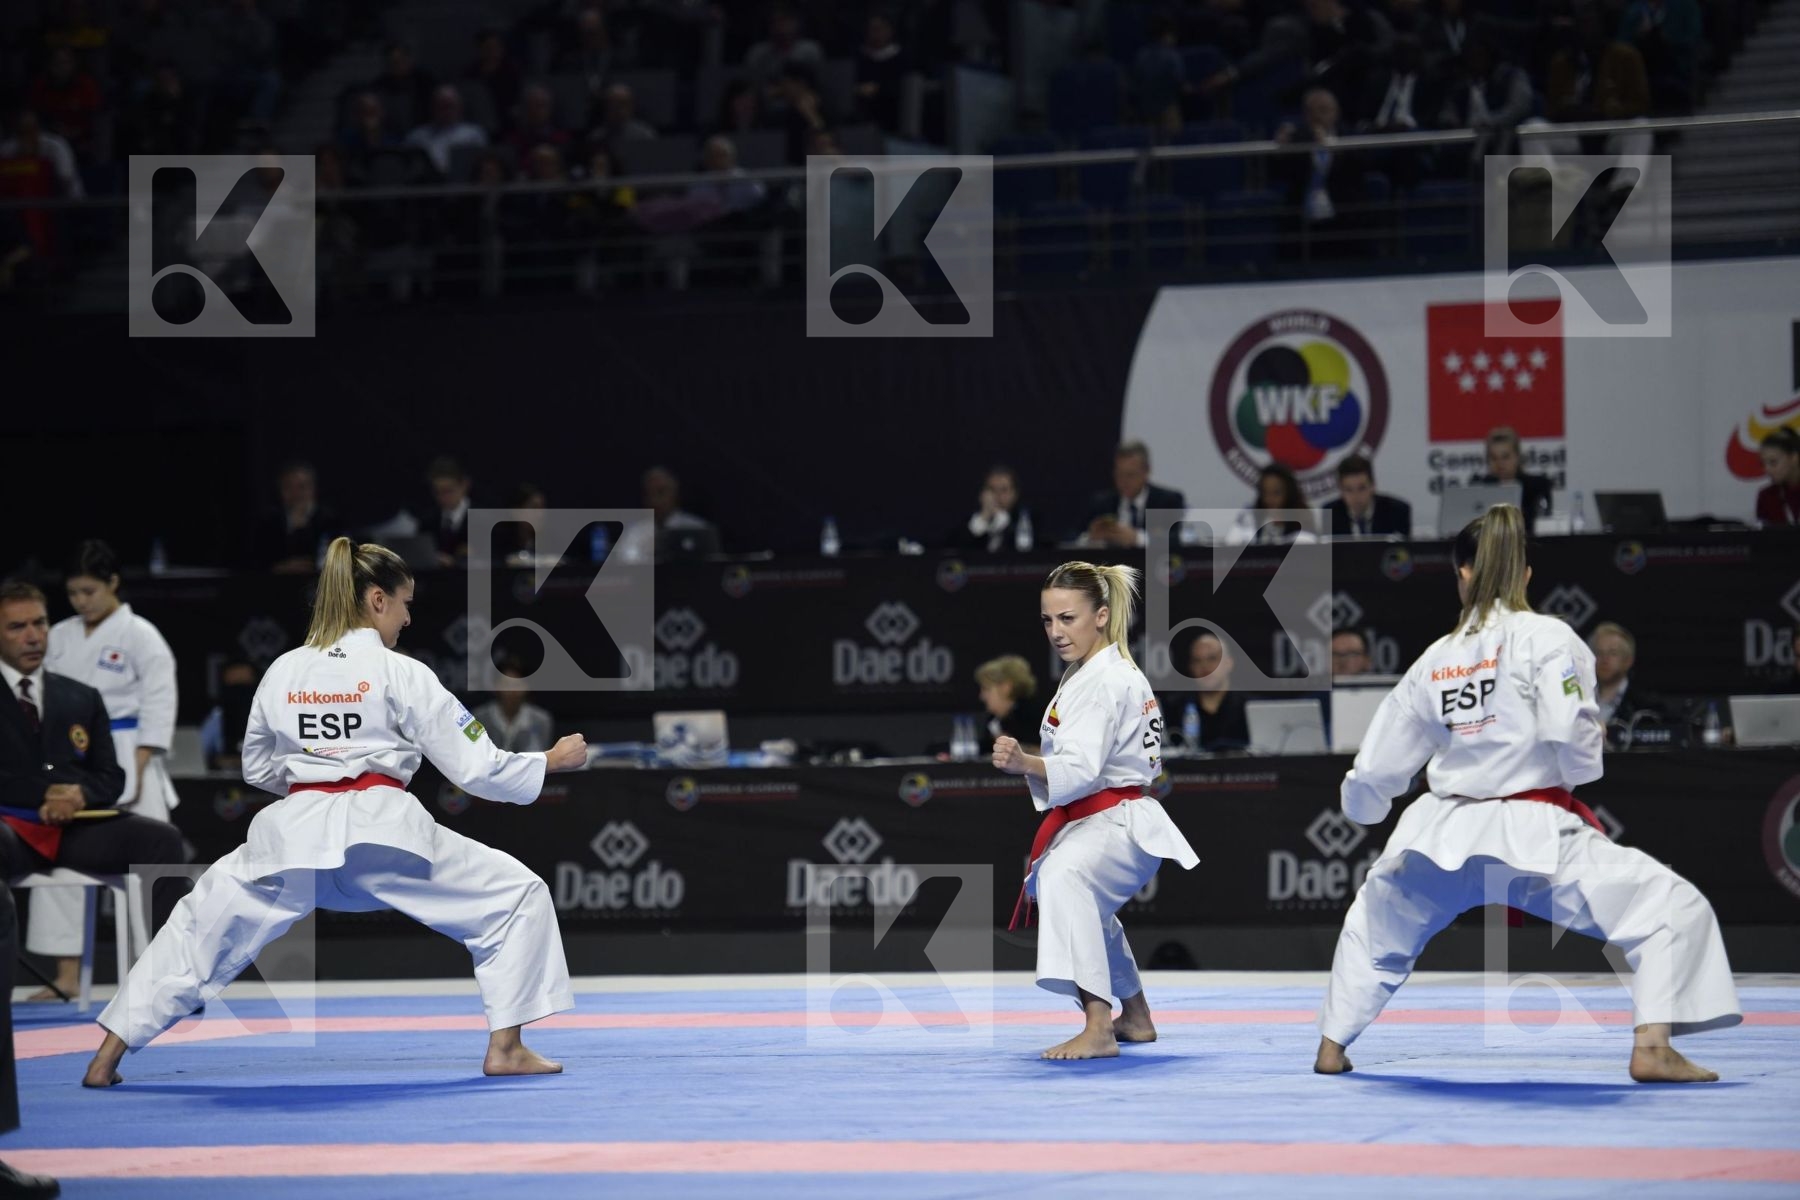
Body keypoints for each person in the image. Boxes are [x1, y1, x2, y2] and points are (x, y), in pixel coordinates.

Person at [82, 540, 588, 1088]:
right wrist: (549, 760)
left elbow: (256, 765)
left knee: (196, 928)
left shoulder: (284, 670)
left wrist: (316, 779)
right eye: (404, 604)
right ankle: (506, 1048)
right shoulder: (402, 672)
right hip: (384, 837)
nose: (408, 618)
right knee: (518, 896)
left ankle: (105, 1058)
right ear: (377, 600)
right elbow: (477, 767)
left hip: (292, 841)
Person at [1314, 505, 1740, 1082]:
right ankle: (1653, 1047)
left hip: (1441, 834)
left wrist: (1361, 808)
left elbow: (1374, 770)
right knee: (1668, 906)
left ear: (1463, 574)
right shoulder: (1548, 637)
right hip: (1530, 833)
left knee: (1376, 920)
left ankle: (1332, 1045)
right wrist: (1581, 763)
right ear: (1526, 574)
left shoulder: (1434, 660)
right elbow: (1572, 736)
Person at [992, 563, 1198, 1060]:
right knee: (1087, 906)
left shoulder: (1104, 680)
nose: (1057, 631)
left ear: (1101, 616)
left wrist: (1024, 762)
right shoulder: (1094, 672)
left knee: (1064, 877)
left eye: (1068, 618)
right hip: (1113, 817)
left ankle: (1099, 1025)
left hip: (1118, 818)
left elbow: (1082, 769)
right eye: (1048, 620)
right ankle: (1137, 1016)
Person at [2, 580, 187, 987]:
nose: (33, 636)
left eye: (39, 623)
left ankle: (171, 981)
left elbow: (110, 777)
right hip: (11, 830)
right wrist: (43, 795)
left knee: (161, 839)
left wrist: (80, 794)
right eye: (17, 627)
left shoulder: (80, 696)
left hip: (71, 831)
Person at [1085, 441, 1186, 548]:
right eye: (1119, 474)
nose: (1124, 481)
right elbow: (1074, 535)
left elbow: (1175, 540)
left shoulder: (1167, 501)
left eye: (1130, 475)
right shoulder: (1102, 503)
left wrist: (1137, 538)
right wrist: (1090, 537)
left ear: (1146, 472)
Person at [1166, 631, 1252, 751]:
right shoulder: (1173, 709)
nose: (1205, 666)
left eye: (1212, 658)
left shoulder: (1250, 707)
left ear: (1229, 663)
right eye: (1197, 660)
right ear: (1191, 667)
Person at [253, 460, 343, 573]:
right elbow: (255, 563)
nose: (296, 494)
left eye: (302, 487)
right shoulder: (268, 523)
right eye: (288, 487)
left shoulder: (331, 521)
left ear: (313, 488)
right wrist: (280, 568)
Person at [614, 466, 716, 564]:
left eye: (661, 492)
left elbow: (711, 566)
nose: (655, 500)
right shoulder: (634, 533)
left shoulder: (697, 529)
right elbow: (626, 567)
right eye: (649, 493)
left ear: (675, 493)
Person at [1473, 425, 1553, 532]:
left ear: (1517, 457)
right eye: (1494, 458)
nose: (1500, 463)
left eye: (1505, 457)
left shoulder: (1537, 487)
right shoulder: (1479, 488)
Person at [474, 664, 554, 753]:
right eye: (506, 685)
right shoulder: (479, 718)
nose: (511, 691)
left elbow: (542, 756)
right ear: (496, 686)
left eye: (517, 685)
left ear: (526, 687)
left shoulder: (541, 720)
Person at [1325, 455, 1412, 537]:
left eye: (1361, 488)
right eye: (1349, 490)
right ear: (1341, 491)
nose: (1356, 496)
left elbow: (1403, 548)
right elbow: (1320, 549)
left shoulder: (1397, 512)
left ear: (1373, 486)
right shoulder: (1327, 515)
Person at [959, 464, 1034, 553]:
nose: (997, 495)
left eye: (1004, 490)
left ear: (1015, 493)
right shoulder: (972, 522)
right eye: (992, 489)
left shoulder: (1028, 520)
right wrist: (984, 518)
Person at [976, 654, 1039, 750]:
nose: (982, 696)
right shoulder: (993, 720)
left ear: (1005, 688)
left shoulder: (1034, 717)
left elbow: (1046, 753)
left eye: (986, 689)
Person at [425, 456, 473, 566]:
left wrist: (455, 562)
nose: (443, 498)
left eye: (449, 491)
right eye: (438, 492)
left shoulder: (483, 518)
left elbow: (494, 559)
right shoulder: (428, 521)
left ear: (464, 485)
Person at [1753, 427, 1800, 526]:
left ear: (1794, 458)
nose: (1767, 469)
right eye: (1763, 464)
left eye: (1773, 462)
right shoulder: (1767, 496)